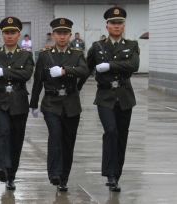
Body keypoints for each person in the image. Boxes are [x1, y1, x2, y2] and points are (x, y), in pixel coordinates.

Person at [78, 7, 139, 192]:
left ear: (123, 25)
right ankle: (110, 174)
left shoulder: (132, 44)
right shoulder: (98, 47)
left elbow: (134, 65)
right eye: (113, 23)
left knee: (121, 136)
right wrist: (75, 90)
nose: (116, 26)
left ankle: (116, 174)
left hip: (125, 96)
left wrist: (110, 65)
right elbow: (86, 70)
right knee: (110, 131)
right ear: (107, 26)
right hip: (105, 96)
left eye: (119, 23)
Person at [30, 18, 88, 192]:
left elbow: (85, 71)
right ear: (53, 35)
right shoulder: (44, 55)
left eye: (65, 33)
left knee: (68, 142)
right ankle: (54, 174)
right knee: (55, 136)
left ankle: (64, 177)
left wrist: (65, 71)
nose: (62, 37)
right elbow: (38, 81)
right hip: (51, 103)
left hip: (71, 104)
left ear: (70, 35)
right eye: (59, 33)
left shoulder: (77, 54)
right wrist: (33, 104)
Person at [0, 16, 34, 190]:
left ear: (19, 35)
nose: (9, 36)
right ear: (2, 34)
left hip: (19, 100)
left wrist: (4, 71)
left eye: (13, 33)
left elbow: (26, 74)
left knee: (17, 138)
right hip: (0, 100)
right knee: (3, 132)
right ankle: (1, 167)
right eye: (6, 33)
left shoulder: (26, 55)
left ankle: (11, 175)